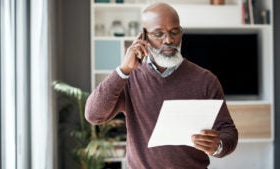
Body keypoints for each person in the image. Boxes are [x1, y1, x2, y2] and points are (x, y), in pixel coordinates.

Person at [85, 2, 238, 169]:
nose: (169, 40)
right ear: (143, 37)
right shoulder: (129, 78)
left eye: (174, 32)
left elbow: (228, 131)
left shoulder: (206, 80)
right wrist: (123, 70)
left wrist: (218, 146)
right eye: (159, 34)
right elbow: (94, 115)